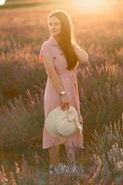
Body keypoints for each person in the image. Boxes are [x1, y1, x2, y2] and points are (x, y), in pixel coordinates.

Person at [39, 10, 88, 174]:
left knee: (71, 124)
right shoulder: (47, 46)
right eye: (50, 24)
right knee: (54, 125)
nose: (52, 27)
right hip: (55, 89)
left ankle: (72, 166)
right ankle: (55, 167)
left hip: (71, 88)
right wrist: (62, 94)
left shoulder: (69, 45)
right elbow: (51, 73)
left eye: (56, 23)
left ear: (64, 25)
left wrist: (71, 44)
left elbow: (85, 59)